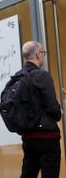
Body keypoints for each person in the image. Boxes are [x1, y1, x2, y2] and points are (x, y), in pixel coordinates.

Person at [20, 40, 61, 178]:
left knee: (28, 174)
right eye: (43, 52)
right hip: (47, 136)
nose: (43, 55)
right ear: (38, 55)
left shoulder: (18, 77)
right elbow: (53, 108)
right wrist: (59, 113)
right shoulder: (42, 75)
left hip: (28, 137)